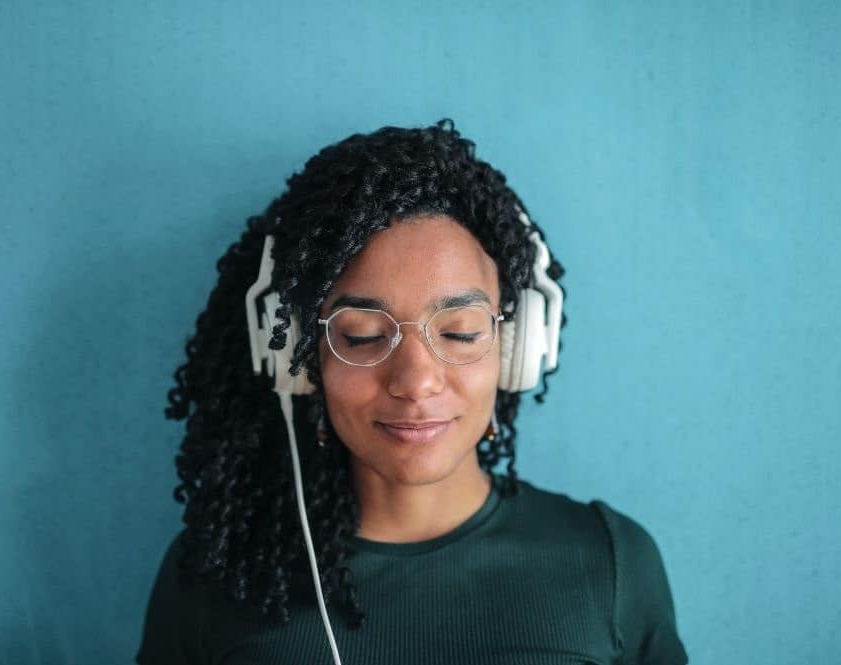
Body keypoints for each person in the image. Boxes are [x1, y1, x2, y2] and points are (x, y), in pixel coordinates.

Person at [135, 120, 688, 664]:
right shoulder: (215, 573)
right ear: (297, 356)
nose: (417, 381)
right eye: (363, 335)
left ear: (516, 346)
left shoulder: (610, 562)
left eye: (460, 332)